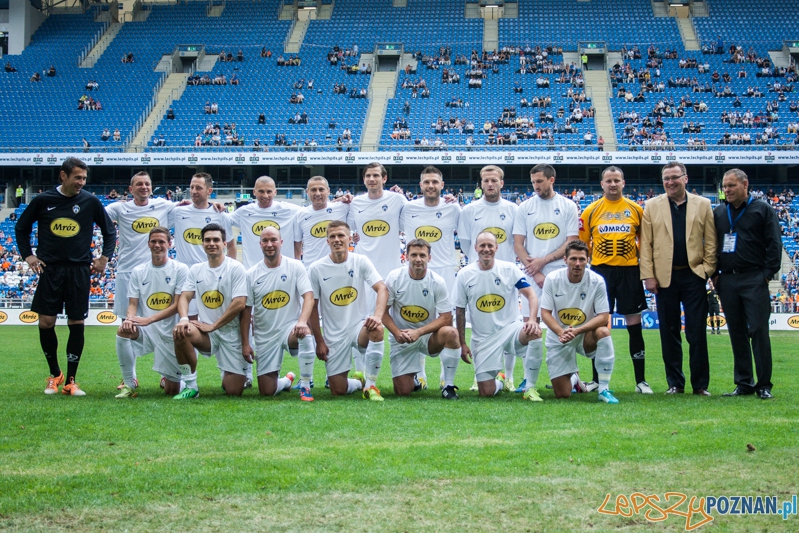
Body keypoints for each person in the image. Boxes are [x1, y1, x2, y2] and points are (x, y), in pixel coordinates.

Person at [15, 158, 116, 396]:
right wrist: (28, 255)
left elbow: (109, 231)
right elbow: (21, 228)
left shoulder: (90, 201)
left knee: (76, 323)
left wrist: (104, 258)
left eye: (84, 178)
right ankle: (55, 374)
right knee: (46, 323)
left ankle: (71, 380)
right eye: (77, 178)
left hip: (79, 270)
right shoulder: (43, 200)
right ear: (63, 176)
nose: (81, 182)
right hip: (50, 270)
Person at [640, 162, 717, 395]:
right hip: (664, 278)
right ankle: (675, 383)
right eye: (666, 178)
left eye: (674, 177)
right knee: (669, 332)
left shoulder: (703, 204)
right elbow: (646, 244)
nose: (670, 182)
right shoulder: (652, 205)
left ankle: (700, 385)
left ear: (685, 178)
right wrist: (648, 276)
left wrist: (706, 270)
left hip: (694, 275)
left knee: (696, 332)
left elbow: (711, 241)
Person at [578, 166, 651, 394]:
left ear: (623, 183)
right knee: (598, 325)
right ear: (602, 184)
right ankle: (596, 379)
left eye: (616, 180)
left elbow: (645, 244)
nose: (612, 184)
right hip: (601, 273)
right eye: (608, 181)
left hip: (630, 272)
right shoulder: (590, 211)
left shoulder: (636, 210)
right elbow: (583, 246)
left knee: (634, 327)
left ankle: (641, 381)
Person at [714, 169, 781, 400]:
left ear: (745, 185)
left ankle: (763, 385)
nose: (727, 190)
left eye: (731, 186)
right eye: (724, 186)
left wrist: (766, 275)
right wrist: (715, 275)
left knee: (759, 331)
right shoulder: (720, 212)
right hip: (727, 279)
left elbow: (774, 244)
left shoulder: (763, 209)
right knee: (737, 332)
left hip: (754, 278)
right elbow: (713, 245)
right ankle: (743, 383)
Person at [512, 164, 578, 393]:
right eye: (533, 182)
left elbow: (571, 241)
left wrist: (545, 261)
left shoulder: (568, 205)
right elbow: (518, 245)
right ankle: (527, 379)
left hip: (561, 271)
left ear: (552, 180)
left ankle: (567, 375)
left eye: (540, 181)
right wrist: (536, 270)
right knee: (531, 325)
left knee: (563, 324)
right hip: (532, 274)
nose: (536, 186)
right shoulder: (525, 207)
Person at [455, 231, 543, 400]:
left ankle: (530, 388)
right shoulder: (464, 274)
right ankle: (501, 381)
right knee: (486, 392)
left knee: (535, 332)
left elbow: (532, 295)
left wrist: (532, 319)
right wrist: (463, 343)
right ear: (475, 248)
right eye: (482, 245)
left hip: (510, 329)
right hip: (483, 338)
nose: (486, 249)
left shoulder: (509, 269)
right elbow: (460, 310)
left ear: (496, 247)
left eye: (490, 245)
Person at [308, 220, 388, 401]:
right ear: (327, 241)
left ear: (349, 238)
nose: (337, 239)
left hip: (358, 328)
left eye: (341, 235)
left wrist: (377, 316)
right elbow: (312, 306)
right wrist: (319, 341)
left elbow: (382, 288)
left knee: (376, 328)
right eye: (332, 236)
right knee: (338, 390)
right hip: (333, 335)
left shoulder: (361, 261)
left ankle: (370, 385)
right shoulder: (316, 269)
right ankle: (359, 383)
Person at [398, 166, 460, 388]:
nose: (431, 186)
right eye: (426, 182)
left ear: (442, 185)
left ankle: (446, 378)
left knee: (445, 323)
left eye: (435, 182)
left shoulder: (454, 208)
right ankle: (420, 375)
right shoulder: (407, 208)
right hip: (417, 270)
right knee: (418, 319)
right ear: (420, 185)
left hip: (444, 270)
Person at [458, 165, 518, 390]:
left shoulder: (514, 209)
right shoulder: (469, 210)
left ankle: (508, 376)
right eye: (486, 181)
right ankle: (480, 375)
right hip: (478, 276)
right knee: (480, 326)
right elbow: (465, 245)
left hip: (506, 277)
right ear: (480, 184)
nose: (490, 184)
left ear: (502, 183)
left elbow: (516, 242)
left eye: (494, 180)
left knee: (510, 323)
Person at [172, 224, 249, 399]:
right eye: (207, 240)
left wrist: (214, 325)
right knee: (181, 331)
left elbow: (239, 303)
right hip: (207, 333)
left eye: (216, 240)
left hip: (231, 333)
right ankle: (191, 386)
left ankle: (284, 380)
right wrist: (184, 318)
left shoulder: (236, 268)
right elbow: (184, 297)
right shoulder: (196, 270)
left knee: (233, 391)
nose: (211, 243)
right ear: (202, 243)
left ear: (224, 244)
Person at [538, 240, 619, 404]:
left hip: (584, 334)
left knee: (603, 332)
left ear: (587, 260)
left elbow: (603, 316)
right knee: (562, 394)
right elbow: (545, 313)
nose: (577, 263)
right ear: (565, 259)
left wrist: (577, 331)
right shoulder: (553, 279)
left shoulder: (597, 281)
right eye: (573, 259)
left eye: (582, 259)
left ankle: (604, 389)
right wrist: (561, 332)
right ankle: (574, 379)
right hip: (559, 336)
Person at [114, 227, 190, 398]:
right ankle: (129, 382)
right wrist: (130, 319)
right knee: (123, 330)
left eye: (161, 241)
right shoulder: (138, 271)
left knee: (172, 391)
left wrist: (150, 319)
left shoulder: (180, 269)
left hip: (173, 332)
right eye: (154, 241)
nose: (157, 245)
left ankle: (178, 380)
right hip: (147, 329)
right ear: (148, 244)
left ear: (169, 244)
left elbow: (178, 303)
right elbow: (133, 303)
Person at [382, 238, 463, 399]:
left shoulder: (437, 282)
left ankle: (448, 385)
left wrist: (419, 332)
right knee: (402, 391)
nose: (418, 259)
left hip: (427, 337)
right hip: (402, 338)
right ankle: (414, 379)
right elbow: (383, 312)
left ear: (429, 258)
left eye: (422, 255)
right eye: (414, 255)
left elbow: (446, 318)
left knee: (451, 333)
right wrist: (397, 333)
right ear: (406, 257)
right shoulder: (394, 277)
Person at [241, 227, 314, 399]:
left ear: (281, 242)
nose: (269, 244)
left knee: (305, 334)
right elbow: (246, 312)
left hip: (289, 328)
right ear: (260, 245)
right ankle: (287, 381)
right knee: (267, 391)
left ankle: (305, 385)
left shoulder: (295, 266)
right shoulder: (251, 274)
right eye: (265, 241)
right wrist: (246, 343)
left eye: (273, 240)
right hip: (265, 335)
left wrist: (302, 321)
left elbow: (308, 297)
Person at [293, 176, 350, 390]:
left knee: (336, 322)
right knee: (307, 323)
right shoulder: (301, 215)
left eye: (321, 189)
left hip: (337, 274)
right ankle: (306, 378)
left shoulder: (342, 208)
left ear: (329, 191)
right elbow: (297, 245)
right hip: (309, 274)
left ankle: (334, 373)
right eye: (313, 190)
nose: (317, 193)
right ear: (307, 192)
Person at [105, 172, 176, 330]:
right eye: (139, 184)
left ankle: (163, 354)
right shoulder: (120, 208)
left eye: (147, 184)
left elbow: (190, 208)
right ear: (131, 189)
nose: (144, 187)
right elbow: (95, 214)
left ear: (151, 188)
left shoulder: (163, 205)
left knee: (164, 324)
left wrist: (214, 206)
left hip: (157, 272)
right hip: (127, 271)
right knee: (126, 324)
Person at [230, 176, 302, 269]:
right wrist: (214, 205)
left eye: (269, 191)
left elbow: (312, 212)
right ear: (254, 192)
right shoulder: (244, 212)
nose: (265, 196)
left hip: (284, 271)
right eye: (261, 191)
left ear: (275, 192)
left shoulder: (289, 210)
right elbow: (223, 219)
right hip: (253, 272)